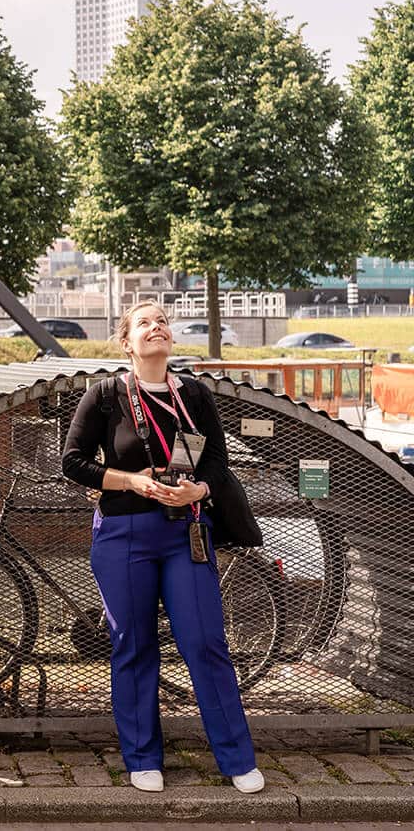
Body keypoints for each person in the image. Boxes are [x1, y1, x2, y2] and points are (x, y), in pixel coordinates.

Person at [61, 300, 265, 794]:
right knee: (134, 645)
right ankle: (142, 757)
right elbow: (72, 462)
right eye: (144, 323)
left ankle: (237, 759)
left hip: (185, 532)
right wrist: (130, 480)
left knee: (205, 642)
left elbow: (216, 461)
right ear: (126, 342)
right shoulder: (104, 394)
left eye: (163, 322)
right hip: (123, 533)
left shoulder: (193, 394)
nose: (157, 328)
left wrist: (200, 490)